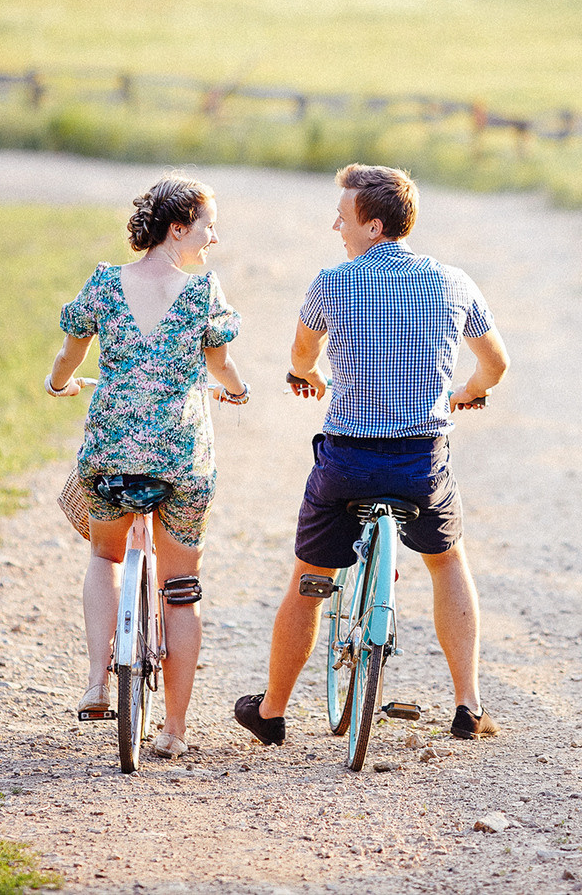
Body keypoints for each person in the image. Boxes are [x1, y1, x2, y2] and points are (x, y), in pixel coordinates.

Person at [235, 163, 509, 745]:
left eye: (345, 215)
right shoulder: (453, 281)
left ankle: (273, 712)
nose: (335, 223)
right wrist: (470, 392)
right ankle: (469, 705)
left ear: (376, 226)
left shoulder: (332, 283)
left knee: (309, 579)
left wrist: (304, 375)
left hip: (347, 462)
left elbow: (303, 352)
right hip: (420, 461)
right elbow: (496, 364)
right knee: (447, 561)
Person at [44, 172, 249, 759]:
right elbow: (223, 366)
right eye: (207, 224)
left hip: (111, 456)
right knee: (180, 591)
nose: (213, 236)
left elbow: (69, 354)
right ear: (178, 228)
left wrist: (60, 384)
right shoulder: (205, 292)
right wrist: (236, 391)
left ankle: (94, 681)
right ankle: (175, 731)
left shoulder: (104, 285)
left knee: (105, 556)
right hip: (182, 461)